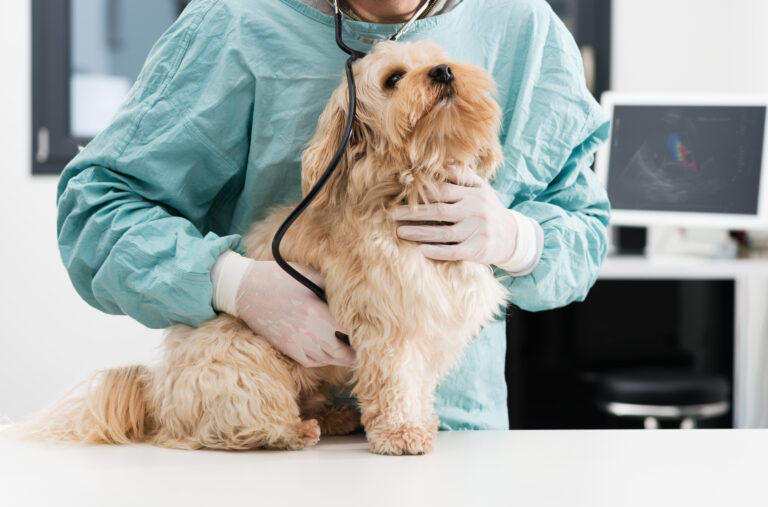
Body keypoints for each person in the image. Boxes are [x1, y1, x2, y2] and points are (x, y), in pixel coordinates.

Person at [57, 0, 610, 430]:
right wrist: (235, 283)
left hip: (453, 435)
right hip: (266, 427)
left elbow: (583, 228)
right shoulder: (235, 22)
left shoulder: (522, 26)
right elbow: (97, 207)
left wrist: (518, 240)